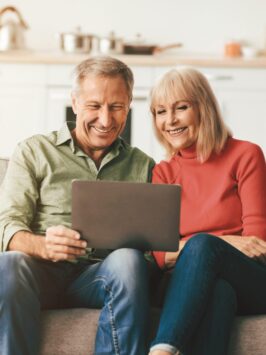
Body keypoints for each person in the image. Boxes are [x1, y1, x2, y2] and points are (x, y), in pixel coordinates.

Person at [0, 56, 155, 355]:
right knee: (9, 263)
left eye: (116, 107)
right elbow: (7, 225)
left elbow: (153, 251)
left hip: (99, 277)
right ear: (75, 102)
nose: (106, 120)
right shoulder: (34, 151)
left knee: (128, 261)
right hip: (39, 273)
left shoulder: (143, 166)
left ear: (130, 105)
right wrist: (43, 245)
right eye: (94, 106)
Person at [148, 67, 266, 355]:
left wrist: (201, 246)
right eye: (160, 111)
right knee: (219, 292)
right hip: (192, 283)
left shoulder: (245, 155)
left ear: (204, 108)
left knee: (201, 247)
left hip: (252, 279)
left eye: (181, 108)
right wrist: (225, 241)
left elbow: (257, 244)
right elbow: (162, 255)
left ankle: (162, 350)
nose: (170, 120)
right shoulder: (163, 172)